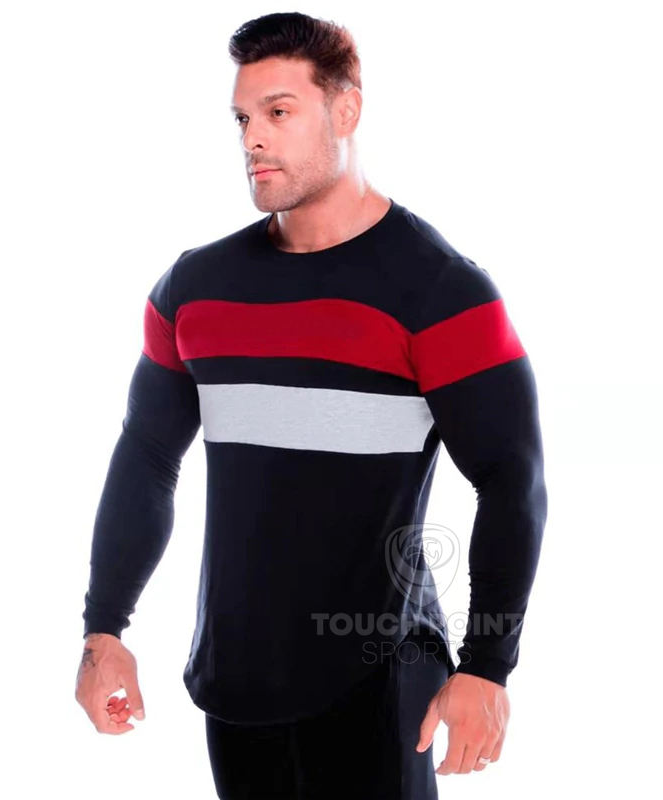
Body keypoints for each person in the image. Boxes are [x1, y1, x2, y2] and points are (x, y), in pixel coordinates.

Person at [75, 11, 547, 799]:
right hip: (235, 678)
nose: (254, 138)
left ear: (346, 110)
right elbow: (147, 457)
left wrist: (487, 667)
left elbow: (512, 480)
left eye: (279, 112)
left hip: (378, 671)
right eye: (243, 118)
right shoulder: (196, 290)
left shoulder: (438, 291)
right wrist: (104, 629)